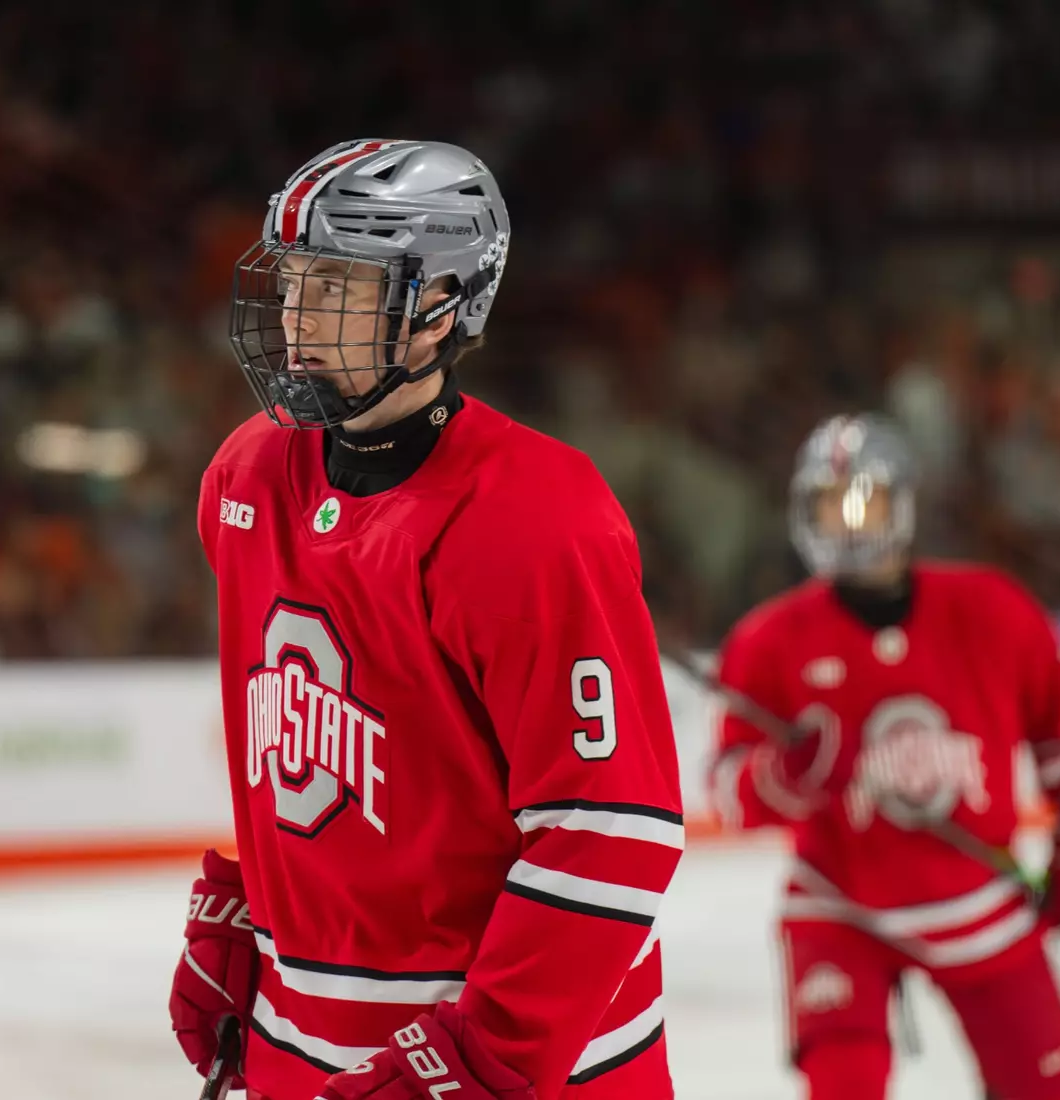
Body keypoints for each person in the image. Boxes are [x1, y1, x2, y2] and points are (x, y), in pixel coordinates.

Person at [171, 139, 685, 1100]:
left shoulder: (537, 515)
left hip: (518, 1069)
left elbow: (611, 831)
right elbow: (317, 740)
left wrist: (486, 1058)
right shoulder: (244, 477)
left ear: (439, 305)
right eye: (293, 282)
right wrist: (257, 904)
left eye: (338, 287)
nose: (296, 318)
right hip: (299, 1041)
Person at [708, 413, 1060, 1100]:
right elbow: (729, 794)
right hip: (839, 906)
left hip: (977, 900)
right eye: (829, 504)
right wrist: (785, 778)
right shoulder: (769, 641)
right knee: (842, 1085)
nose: (848, 523)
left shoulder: (992, 611)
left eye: (865, 501)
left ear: (901, 505)